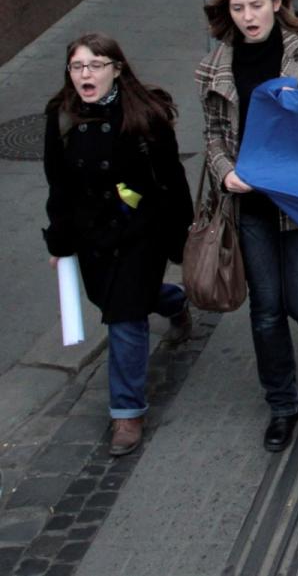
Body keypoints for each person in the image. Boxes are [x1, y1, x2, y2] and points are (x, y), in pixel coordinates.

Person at [197, 0, 298, 453]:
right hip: (251, 204)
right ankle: (282, 405)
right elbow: (213, 134)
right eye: (238, 9)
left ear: (277, 3)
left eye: (256, 5)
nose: (248, 16)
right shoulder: (217, 63)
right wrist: (224, 172)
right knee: (266, 310)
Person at [43, 33, 193, 457]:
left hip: (139, 232)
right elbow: (58, 183)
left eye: (95, 65)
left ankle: (126, 411)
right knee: (108, 300)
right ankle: (173, 301)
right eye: (77, 67)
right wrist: (60, 241)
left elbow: (171, 180)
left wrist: (181, 238)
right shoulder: (60, 117)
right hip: (91, 234)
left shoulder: (146, 113)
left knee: (125, 317)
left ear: (116, 69)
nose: (85, 74)